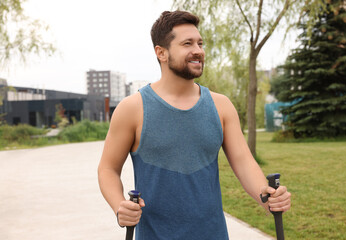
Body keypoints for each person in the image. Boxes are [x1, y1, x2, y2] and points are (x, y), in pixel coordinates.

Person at [98, 10, 291, 240]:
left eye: (200, 43)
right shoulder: (132, 109)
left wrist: (266, 196)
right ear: (161, 53)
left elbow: (243, 161)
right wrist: (120, 205)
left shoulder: (221, 107)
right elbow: (108, 168)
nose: (198, 51)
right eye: (187, 43)